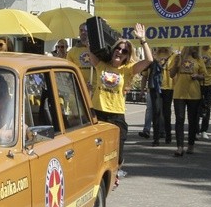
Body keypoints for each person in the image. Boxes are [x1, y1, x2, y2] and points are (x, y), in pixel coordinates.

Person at [88, 23, 152, 168]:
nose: (120, 52)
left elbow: (149, 60)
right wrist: (94, 31)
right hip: (98, 113)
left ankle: (116, 170)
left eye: (124, 51)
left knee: (118, 154)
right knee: (97, 151)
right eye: (118, 48)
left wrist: (143, 40)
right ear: (113, 50)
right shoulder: (101, 65)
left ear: (127, 56)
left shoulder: (127, 70)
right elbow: (91, 48)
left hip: (116, 115)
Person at [169, 46, 206, 157]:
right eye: (192, 46)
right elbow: (171, 75)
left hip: (194, 94)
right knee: (179, 119)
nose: (194, 48)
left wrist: (198, 76)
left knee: (193, 120)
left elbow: (204, 76)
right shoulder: (178, 57)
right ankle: (180, 147)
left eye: (196, 46)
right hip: (179, 93)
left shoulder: (198, 59)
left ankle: (191, 144)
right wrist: (176, 64)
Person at [139, 46, 173, 145]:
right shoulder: (151, 58)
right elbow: (145, 75)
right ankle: (156, 138)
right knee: (156, 112)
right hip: (155, 88)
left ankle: (168, 136)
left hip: (168, 88)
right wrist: (142, 90)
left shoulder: (173, 56)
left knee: (167, 113)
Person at [67, 22, 94, 91]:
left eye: (86, 30)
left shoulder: (96, 49)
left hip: (94, 90)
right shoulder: (72, 51)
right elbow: (68, 72)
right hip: (79, 89)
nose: (83, 32)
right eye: (81, 30)